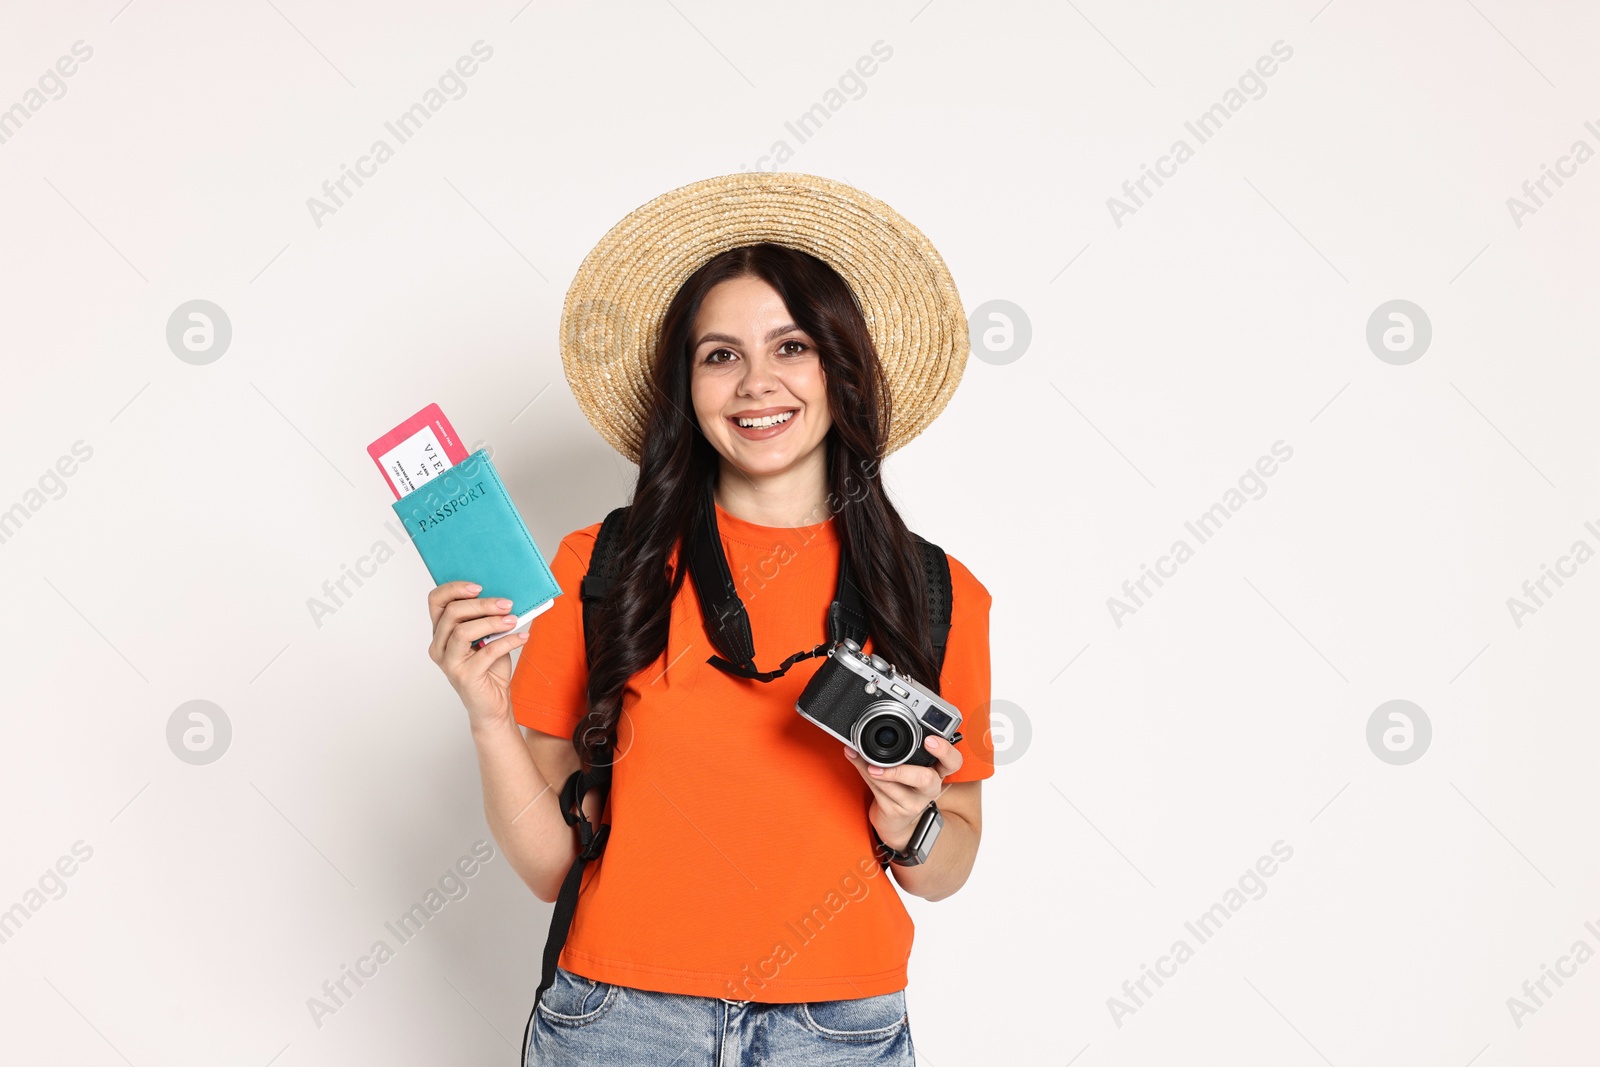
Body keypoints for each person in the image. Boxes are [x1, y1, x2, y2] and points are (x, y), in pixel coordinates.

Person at [426, 172, 994, 1066]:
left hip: (838, 1028)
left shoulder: (931, 586)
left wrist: (910, 817)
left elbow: (948, 866)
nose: (756, 382)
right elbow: (547, 868)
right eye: (719, 354)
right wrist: (488, 716)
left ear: (840, 369)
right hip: (618, 1018)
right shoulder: (605, 566)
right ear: (687, 386)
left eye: (792, 346)